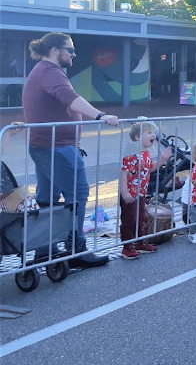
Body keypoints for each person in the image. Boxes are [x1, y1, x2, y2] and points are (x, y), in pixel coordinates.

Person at [22, 32, 118, 268]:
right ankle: (76, 250)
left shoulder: (43, 71)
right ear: (55, 50)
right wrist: (100, 115)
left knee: (48, 200)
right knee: (78, 194)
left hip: (47, 146)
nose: (74, 54)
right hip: (57, 148)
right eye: (71, 50)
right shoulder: (50, 72)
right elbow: (69, 98)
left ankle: (45, 251)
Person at [119, 120, 172, 259]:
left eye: (153, 132)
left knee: (141, 217)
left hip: (141, 192)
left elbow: (150, 168)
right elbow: (124, 172)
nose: (153, 135)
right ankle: (127, 246)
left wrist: (162, 160)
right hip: (130, 193)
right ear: (137, 137)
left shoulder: (145, 153)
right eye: (149, 132)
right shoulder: (131, 153)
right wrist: (124, 192)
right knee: (129, 219)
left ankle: (140, 241)